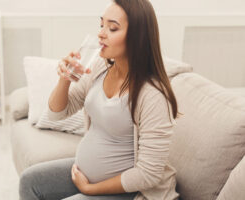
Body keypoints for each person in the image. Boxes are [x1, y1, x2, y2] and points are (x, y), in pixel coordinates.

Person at [19, 0, 180, 199]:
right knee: (30, 181)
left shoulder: (153, 95)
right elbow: (56, 113)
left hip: (130, 190)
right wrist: (65, 80)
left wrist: (89, 189)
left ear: (137, 38)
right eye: (101, 25)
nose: (101, 33)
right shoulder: (100, 67)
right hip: (88, 175)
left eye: (112, 28)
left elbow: (148, 174)